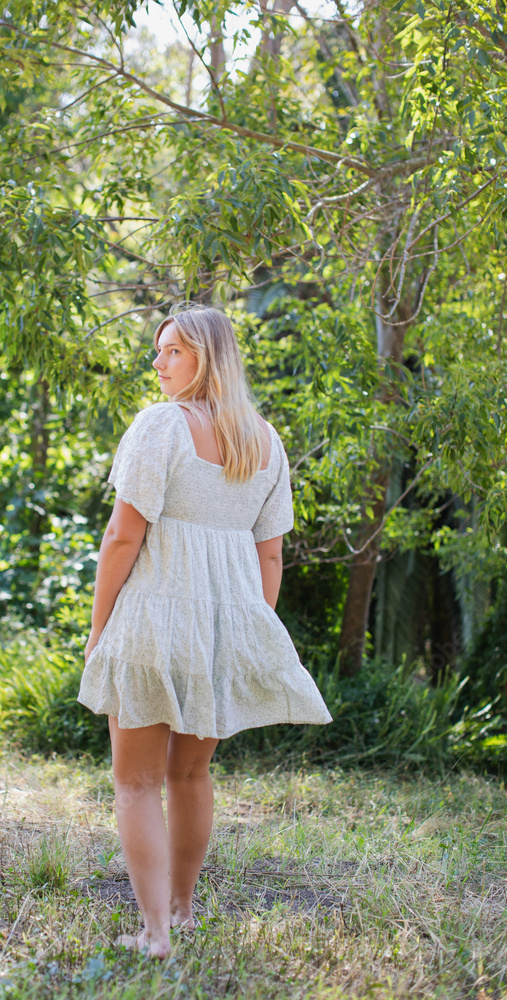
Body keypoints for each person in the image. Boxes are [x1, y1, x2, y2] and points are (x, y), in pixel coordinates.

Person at [78, 305, 332, 959]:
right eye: (158, 350)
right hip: (221, 632)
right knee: (190, 775)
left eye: (174, 351)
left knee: (137, 783)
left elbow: (122, 536)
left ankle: (156, 933)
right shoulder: (264, 441)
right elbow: (269, 557)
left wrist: (98, 627)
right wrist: (247, 631)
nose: (158, 363)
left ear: (208, 357)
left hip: (153, 621)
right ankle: (182, 912)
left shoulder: (161, 425)